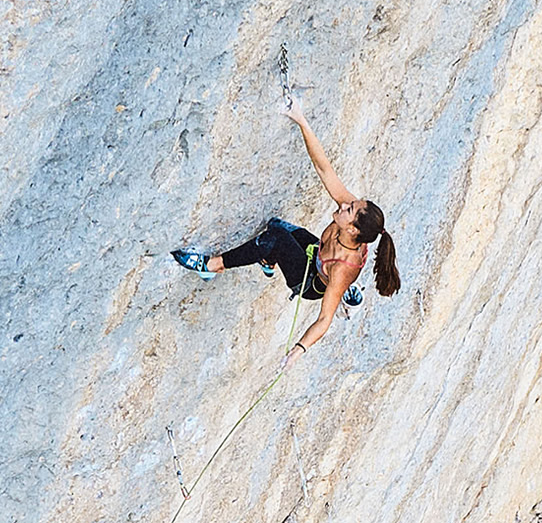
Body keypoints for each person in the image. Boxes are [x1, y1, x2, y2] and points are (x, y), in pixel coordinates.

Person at [171, 97, 402, 367]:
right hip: (316, 255)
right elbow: (324, 168)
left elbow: (324, 319)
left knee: (275, 239)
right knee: (275, 226)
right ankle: (269, 260)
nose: (344, 203)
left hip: (310, 283)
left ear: (352, 229)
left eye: (350, 209)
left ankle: (211, 265)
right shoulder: (352, 223)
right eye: (351, 203)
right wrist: (301, 119)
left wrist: (299, 350)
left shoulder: (343, 268)